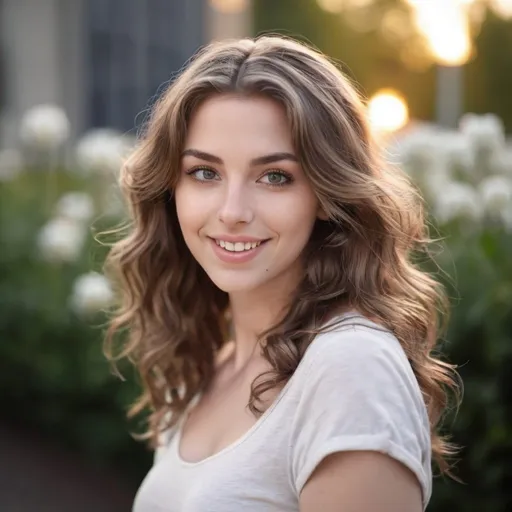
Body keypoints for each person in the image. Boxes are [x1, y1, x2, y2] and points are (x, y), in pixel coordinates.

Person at [104, 35, 460, 512]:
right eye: (205, 173)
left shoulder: (352, 368)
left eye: (275, 176)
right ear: (171, 190)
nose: (232, 212)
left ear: (329, 195)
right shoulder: (215, 363)